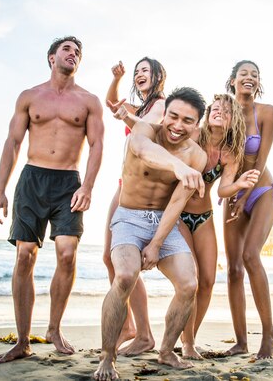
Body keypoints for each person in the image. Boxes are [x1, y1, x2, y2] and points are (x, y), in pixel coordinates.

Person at [0, 36, 104, 364]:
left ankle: (54, 328)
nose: (73, 54)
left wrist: (89, 187)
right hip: (32, 179)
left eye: (78, 51)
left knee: (67, 253)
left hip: (68, 182)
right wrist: (0, 190)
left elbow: (96, 146)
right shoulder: (29, 97)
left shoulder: (89, 101)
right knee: (25, 255)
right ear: (51, 57)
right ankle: (23, 340)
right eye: (67, 49)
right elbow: (12, 142)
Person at [94, 87, 208, 380]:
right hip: (129, 217)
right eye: (173, 116)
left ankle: (167, 351)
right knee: (125, 276)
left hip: (163, 223)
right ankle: (107, 357)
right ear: (165, 113)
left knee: (188, 283)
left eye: (187, 121)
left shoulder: (197, 156)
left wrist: (157, 243)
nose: (178, 126)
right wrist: (177, 166)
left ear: (197, 125)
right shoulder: (144, 129)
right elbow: (143, 150)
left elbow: (177, 203)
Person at [179, 94, 260, 359]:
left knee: (208, 281)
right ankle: (188, 344)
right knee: (190, 279)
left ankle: (189, 338)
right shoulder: (193, 136)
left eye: (225, 111)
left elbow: (224, 189)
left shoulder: (230, 152)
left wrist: (240, 184)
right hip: (179, 216)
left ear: (233, 119)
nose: (218, 113)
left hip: (204, 217)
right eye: (215, 109)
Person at [103, 57, 167, 354]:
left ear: (157, 76)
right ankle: (129, 325)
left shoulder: (161, 105)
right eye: (137, 71)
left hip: (142, 191)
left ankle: (143, 333)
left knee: (127, 264)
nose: (140, 74)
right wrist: (117, 78)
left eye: (146, 70)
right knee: (108, 257)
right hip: (123, 184)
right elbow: (112, 102)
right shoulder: (137, 107)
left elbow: (149, 126)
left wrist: (126, 116)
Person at [223, 60, 273, 359]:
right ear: (232, 80)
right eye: (243, 74)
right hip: (232, 194)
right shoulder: (222, 113)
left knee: (250, 255)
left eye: (254, 74)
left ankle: (268, 336)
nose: (249, 78)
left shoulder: (266, 112)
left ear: (258, 82)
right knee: (232, 269)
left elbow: (260, 160)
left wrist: (244, 197)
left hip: (261, 192)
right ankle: (241, 341)